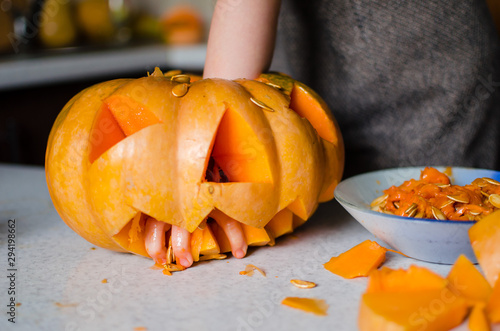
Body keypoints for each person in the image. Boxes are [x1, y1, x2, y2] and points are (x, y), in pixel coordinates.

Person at [149, 0, 500, 268]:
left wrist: (205, 184)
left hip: (433, 73)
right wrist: (211, 185)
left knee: (437, 234)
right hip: (307, 86)